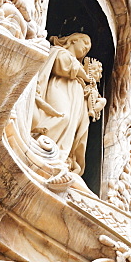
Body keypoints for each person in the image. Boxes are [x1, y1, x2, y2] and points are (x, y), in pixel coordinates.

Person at [32, 32, 105, 175]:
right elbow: (62, 65)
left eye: (88, 48)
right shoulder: (59, 52)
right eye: (85, 43)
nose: (86, 48)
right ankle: (41, 144)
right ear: (73, 40)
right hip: (60, 87)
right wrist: (85, 75)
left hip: (76, 97)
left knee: (72, 125)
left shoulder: (81, 71)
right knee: (62, 117)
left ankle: (59, 156)